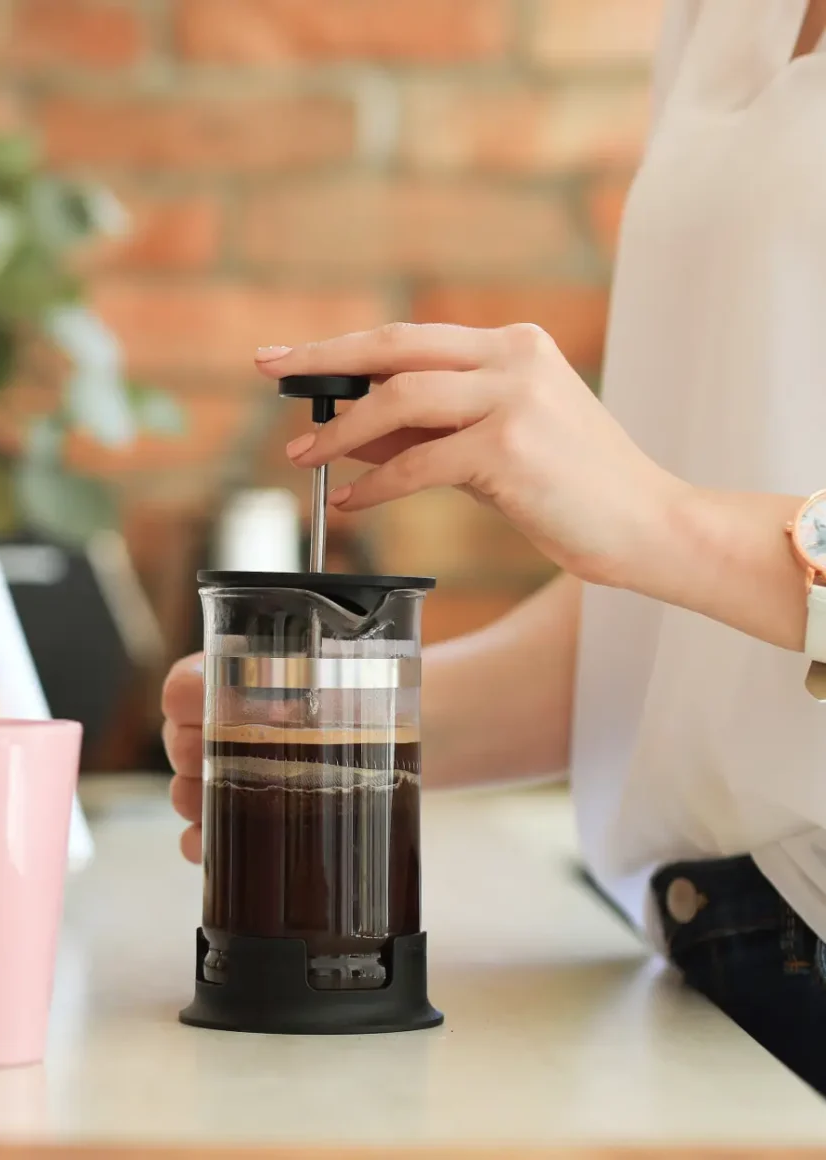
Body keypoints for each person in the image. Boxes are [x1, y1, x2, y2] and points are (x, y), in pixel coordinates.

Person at [161, 0, 826, 1094]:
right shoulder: (714, 15)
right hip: (714, 957)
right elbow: (678, 602)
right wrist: (372, 723)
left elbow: (664, 525)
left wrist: (648, 513)